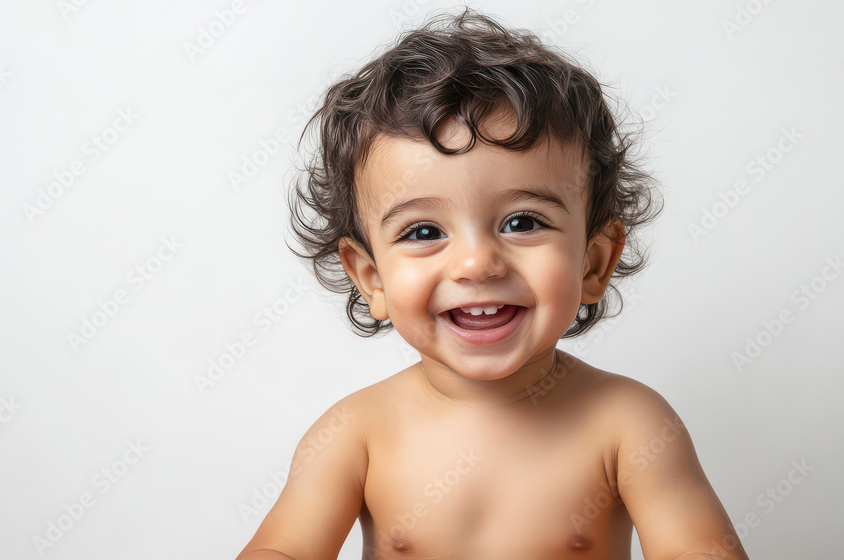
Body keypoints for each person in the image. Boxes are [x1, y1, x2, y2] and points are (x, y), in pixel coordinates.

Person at [238, 7, 748, 559]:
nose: (477, 264)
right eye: (425, 231)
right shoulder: (355, 434)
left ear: (593, 263)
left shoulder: (627, 425)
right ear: (371, 277)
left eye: (522, 222)